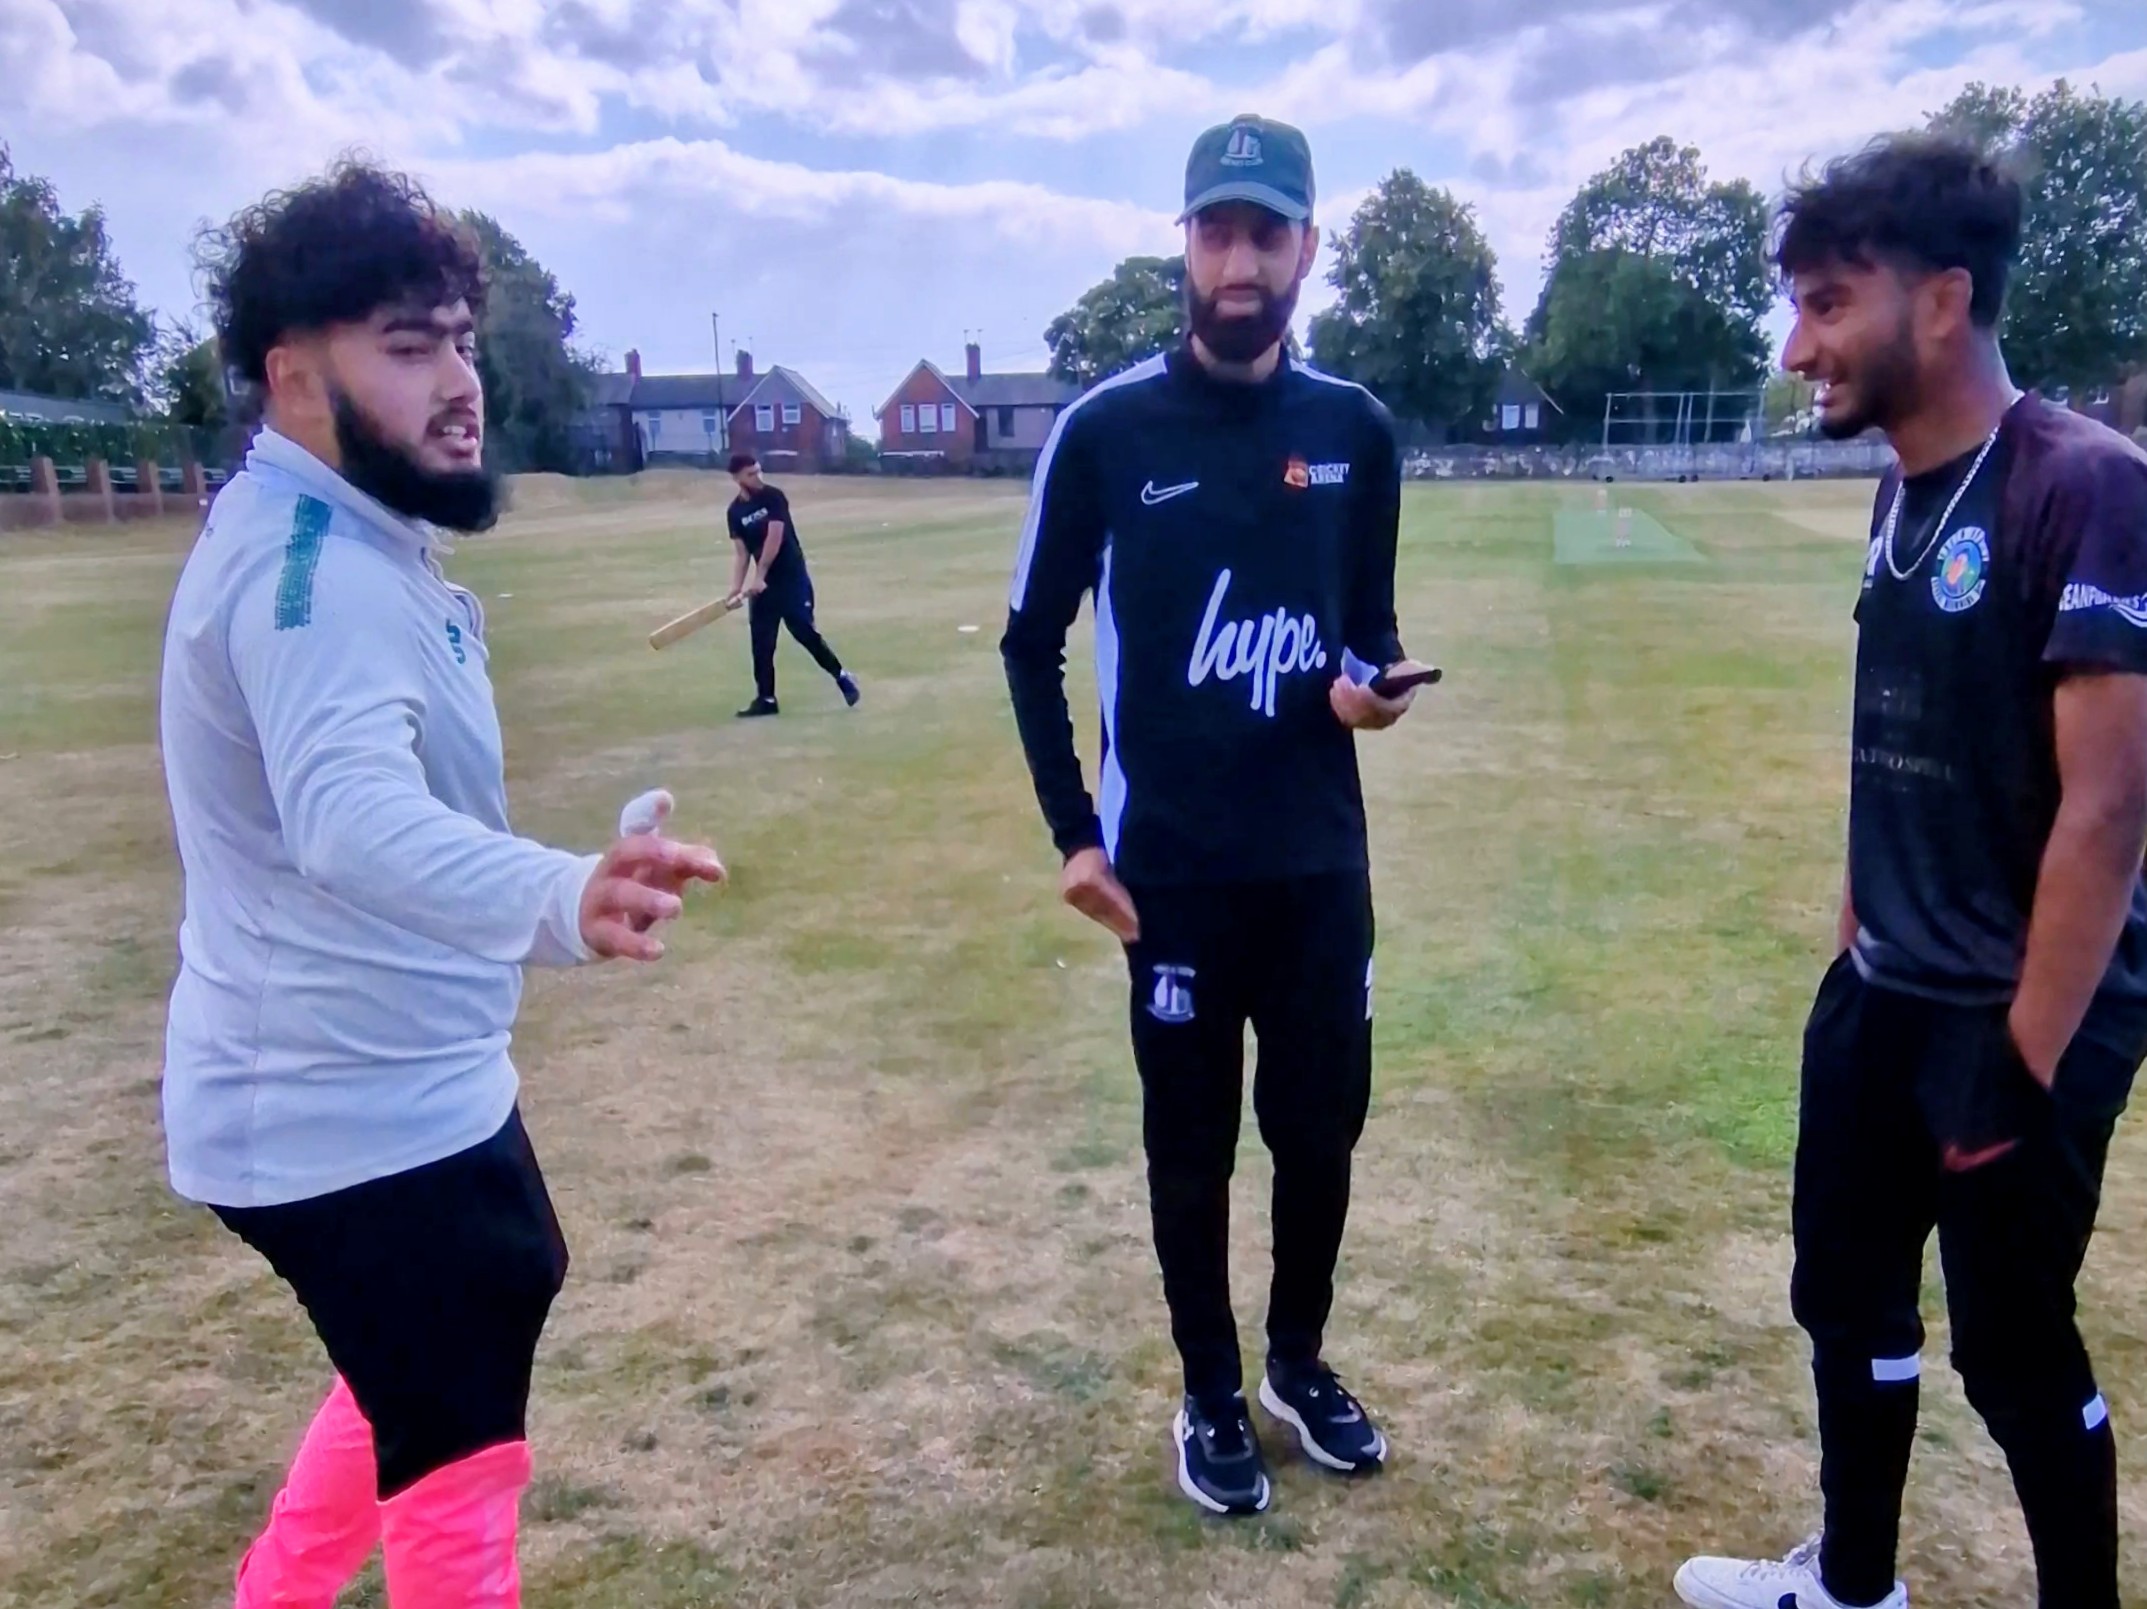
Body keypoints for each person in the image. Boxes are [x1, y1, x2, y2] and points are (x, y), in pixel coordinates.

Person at [160, 160, 726, 1608]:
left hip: (398, 1082)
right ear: (295, 379)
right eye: (407, 347)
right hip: (338, 1109)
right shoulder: (316, 566)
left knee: (451, 1332)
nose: (457, 378)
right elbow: (346, 818)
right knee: (456, 1438)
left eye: (459, 337)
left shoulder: (352, 535)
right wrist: (558, 894)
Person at [1674, 133, 2147, 1609]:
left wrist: (2017, 1064)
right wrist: (1847, 954)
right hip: (1880, 991)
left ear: (1938, 303)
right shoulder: (1899, 493)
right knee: (1847, 1297)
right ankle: (1852, 1584)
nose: (1797, 345)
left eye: (1825, 304)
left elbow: (2107, 811)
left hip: (2016, 1025)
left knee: (2008, 1344)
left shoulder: (2082, 487)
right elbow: (1900, 747)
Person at [1000, 113, 1434, 1517]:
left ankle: (1296, 1363)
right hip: (1172, 877)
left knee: (1319, 1136)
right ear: (1181, 244)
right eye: (1214, 230)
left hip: (1317, 868)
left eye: (1264, 230)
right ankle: (1206, 1390)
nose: (1237, 257)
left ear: (1305, 246)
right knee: (1187, 1149)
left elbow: (1360, 631)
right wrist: (1074, 832)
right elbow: (1027, 639)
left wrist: (1367, 690)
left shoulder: (1352, 431)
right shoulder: (1107, 430)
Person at [724, 450, 859, 717]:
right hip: (762, 588)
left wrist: (760, 576)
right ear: (737, 478)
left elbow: (775, 538)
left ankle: (842, 676)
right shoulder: (735, 511)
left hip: (790, 577)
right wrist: (735, 589)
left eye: (758, 471)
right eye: (751, 474)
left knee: (803, 631)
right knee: (762, 643)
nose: (757, 477)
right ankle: (766, 699)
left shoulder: (773, 497)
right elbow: (742, 554)